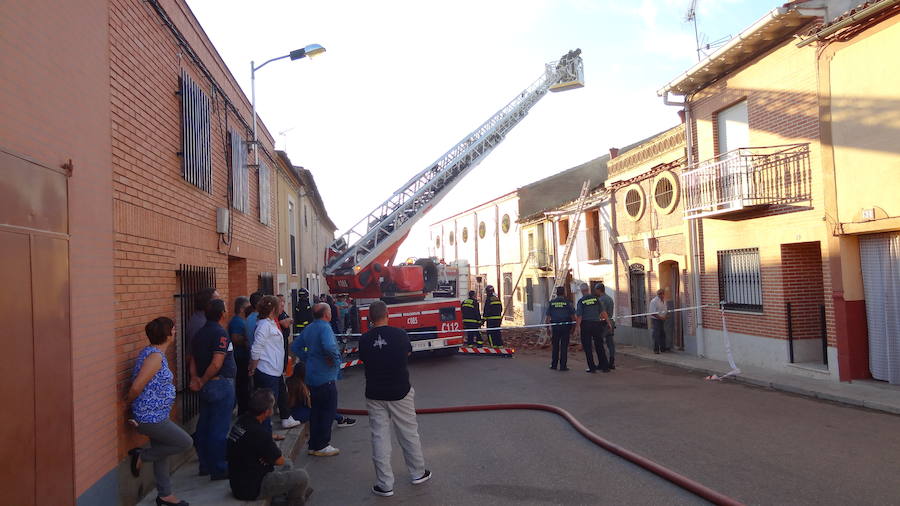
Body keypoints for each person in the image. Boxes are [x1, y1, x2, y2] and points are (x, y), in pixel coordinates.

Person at [358, 301, 431, 497]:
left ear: (369, 318)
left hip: (374, 393)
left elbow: (364, 359)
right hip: (400, 391)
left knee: (379, 437)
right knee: (408, 432)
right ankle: (417, 472)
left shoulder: (364, 339)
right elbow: (407, 352)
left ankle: (384, 484)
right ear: (387, 314)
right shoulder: (400, 335)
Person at [127, 317, 192, 506]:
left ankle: (164, 495)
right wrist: (127, 405)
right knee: (185, 442)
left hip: (158, 414)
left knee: (161, 453)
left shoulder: (155, 353)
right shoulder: (154, 357)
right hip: (150, 417)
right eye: (173, 329)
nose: (175, 331)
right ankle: (142, 456)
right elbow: (136, 387)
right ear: (167, 333)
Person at [227, 389, 312, 505]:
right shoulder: (260, 433)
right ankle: (295, 502)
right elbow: (279, 460)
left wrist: (266, 459)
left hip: (237, 482)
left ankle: (283, 495)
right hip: (253, 487)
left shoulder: (242, 421)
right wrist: (268, 459)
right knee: (302, 476)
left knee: (288, 464)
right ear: (267, 411)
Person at [189, 298, 236, 480]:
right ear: (222, 314)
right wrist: (203, 379)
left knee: (204, 426)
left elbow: (192, 359)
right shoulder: (220, 334)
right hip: (219, 384)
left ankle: (205, 465)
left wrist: (196, 378)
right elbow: (217, 363)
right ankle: (218, 468)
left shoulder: (199, 334)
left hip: (208, 386)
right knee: (218, 428)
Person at [302, 303, 342, 456]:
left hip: (312, 376)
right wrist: (335, 360)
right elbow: (329, 346)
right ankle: (323, 445)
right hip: (325, 376)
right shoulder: (325, 327)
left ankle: (313, 444)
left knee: (316, 411)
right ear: (326, 314)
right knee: (328, 410)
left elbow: (297, 347)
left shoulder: (309, 328)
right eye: (330, 311)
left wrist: (309, 358)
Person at [249, 295, 284, 432]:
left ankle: (267, 434)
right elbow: (256, 348)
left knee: (269, 407)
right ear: (273, 309)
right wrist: (253, 366)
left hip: (273, 370)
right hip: (266, 370)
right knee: (266, 408)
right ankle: (264, 436)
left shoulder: (269, 323)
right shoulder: (264, 325)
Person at [575, 283, 609, 373]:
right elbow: (603, 312)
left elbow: (579, 316)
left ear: (582, 291)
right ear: (588, 289)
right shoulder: (596, 299)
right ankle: (604, 366)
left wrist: (577, 328)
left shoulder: (581, 301)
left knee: (588, 347)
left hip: (586, 325)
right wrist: (608, 322)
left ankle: (592, 367)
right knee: (599, 345)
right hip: (596, 324)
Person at [276, 295, 297, 429]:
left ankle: (283, 413)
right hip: (275, 362)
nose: (283, 307)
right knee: (279, 388)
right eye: (281, 305)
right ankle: (284, 415)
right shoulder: (271, 322)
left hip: (281, 357)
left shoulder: (282, 316)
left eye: (284, 304)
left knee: (281, 386)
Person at [229, 296, 252, 414]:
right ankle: (243, 410)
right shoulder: (237, 321)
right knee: (242, 385)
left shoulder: (242, 320)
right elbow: (235, 338)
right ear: (242, 308)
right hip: (240, 358)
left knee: (244, 385)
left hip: (243, 357)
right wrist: (248, 340)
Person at [545, 287, 575, 371]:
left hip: (555, 327)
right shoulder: (568, 303)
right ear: (564, 293)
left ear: (557, 293)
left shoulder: (552, 303)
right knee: (564, 346)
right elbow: (573, 317)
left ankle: (554, 365)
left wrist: (548, 329)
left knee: (555, 346)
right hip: (566, 327)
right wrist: (573, 328)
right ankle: (563, 366)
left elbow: (547, 317)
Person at [596, 283, 616, 370]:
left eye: (596, 290)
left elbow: (602, 313)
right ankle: (611, 362)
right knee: (610, 343)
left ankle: (603, 363)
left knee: (600, 343)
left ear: (599, 290)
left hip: (603, 323)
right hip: (610, 322)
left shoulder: (601, 300)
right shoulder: (610, 298)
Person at [649, 288, 668, 354]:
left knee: (662, 334)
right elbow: (653, 313)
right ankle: (656, 349)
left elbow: (665, 309)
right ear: (658, 294)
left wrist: (665, 316)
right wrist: (660, 317)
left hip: (662, 319)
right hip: (656, 320)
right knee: (656, 334)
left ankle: (663, 348)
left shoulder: (664, 300)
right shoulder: (654, 301)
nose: (662, 295)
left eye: (663, 294)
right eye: (660, 294)